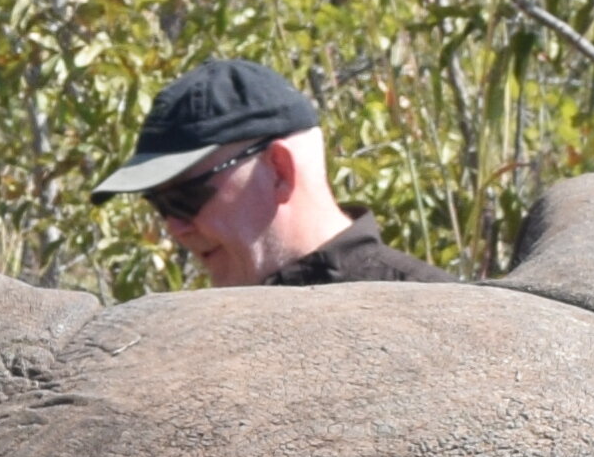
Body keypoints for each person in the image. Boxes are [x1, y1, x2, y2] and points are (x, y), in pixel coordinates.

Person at [96, 57, 457, 288]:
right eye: (159, 205)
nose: (175, 228)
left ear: (280, 170)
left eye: (185, 198)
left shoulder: (440, 312)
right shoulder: (198, 337)